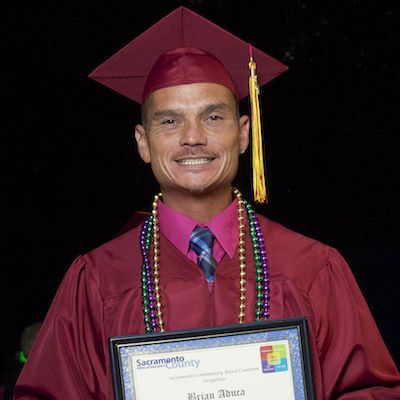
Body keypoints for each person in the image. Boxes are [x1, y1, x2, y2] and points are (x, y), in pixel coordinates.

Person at [15, 7, 399, 400]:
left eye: (213, 117)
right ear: (143, 142)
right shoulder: (96, 281)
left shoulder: (313, 268)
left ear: (244, 133)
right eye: (169, 122)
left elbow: (370, 391)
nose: (193, 137)